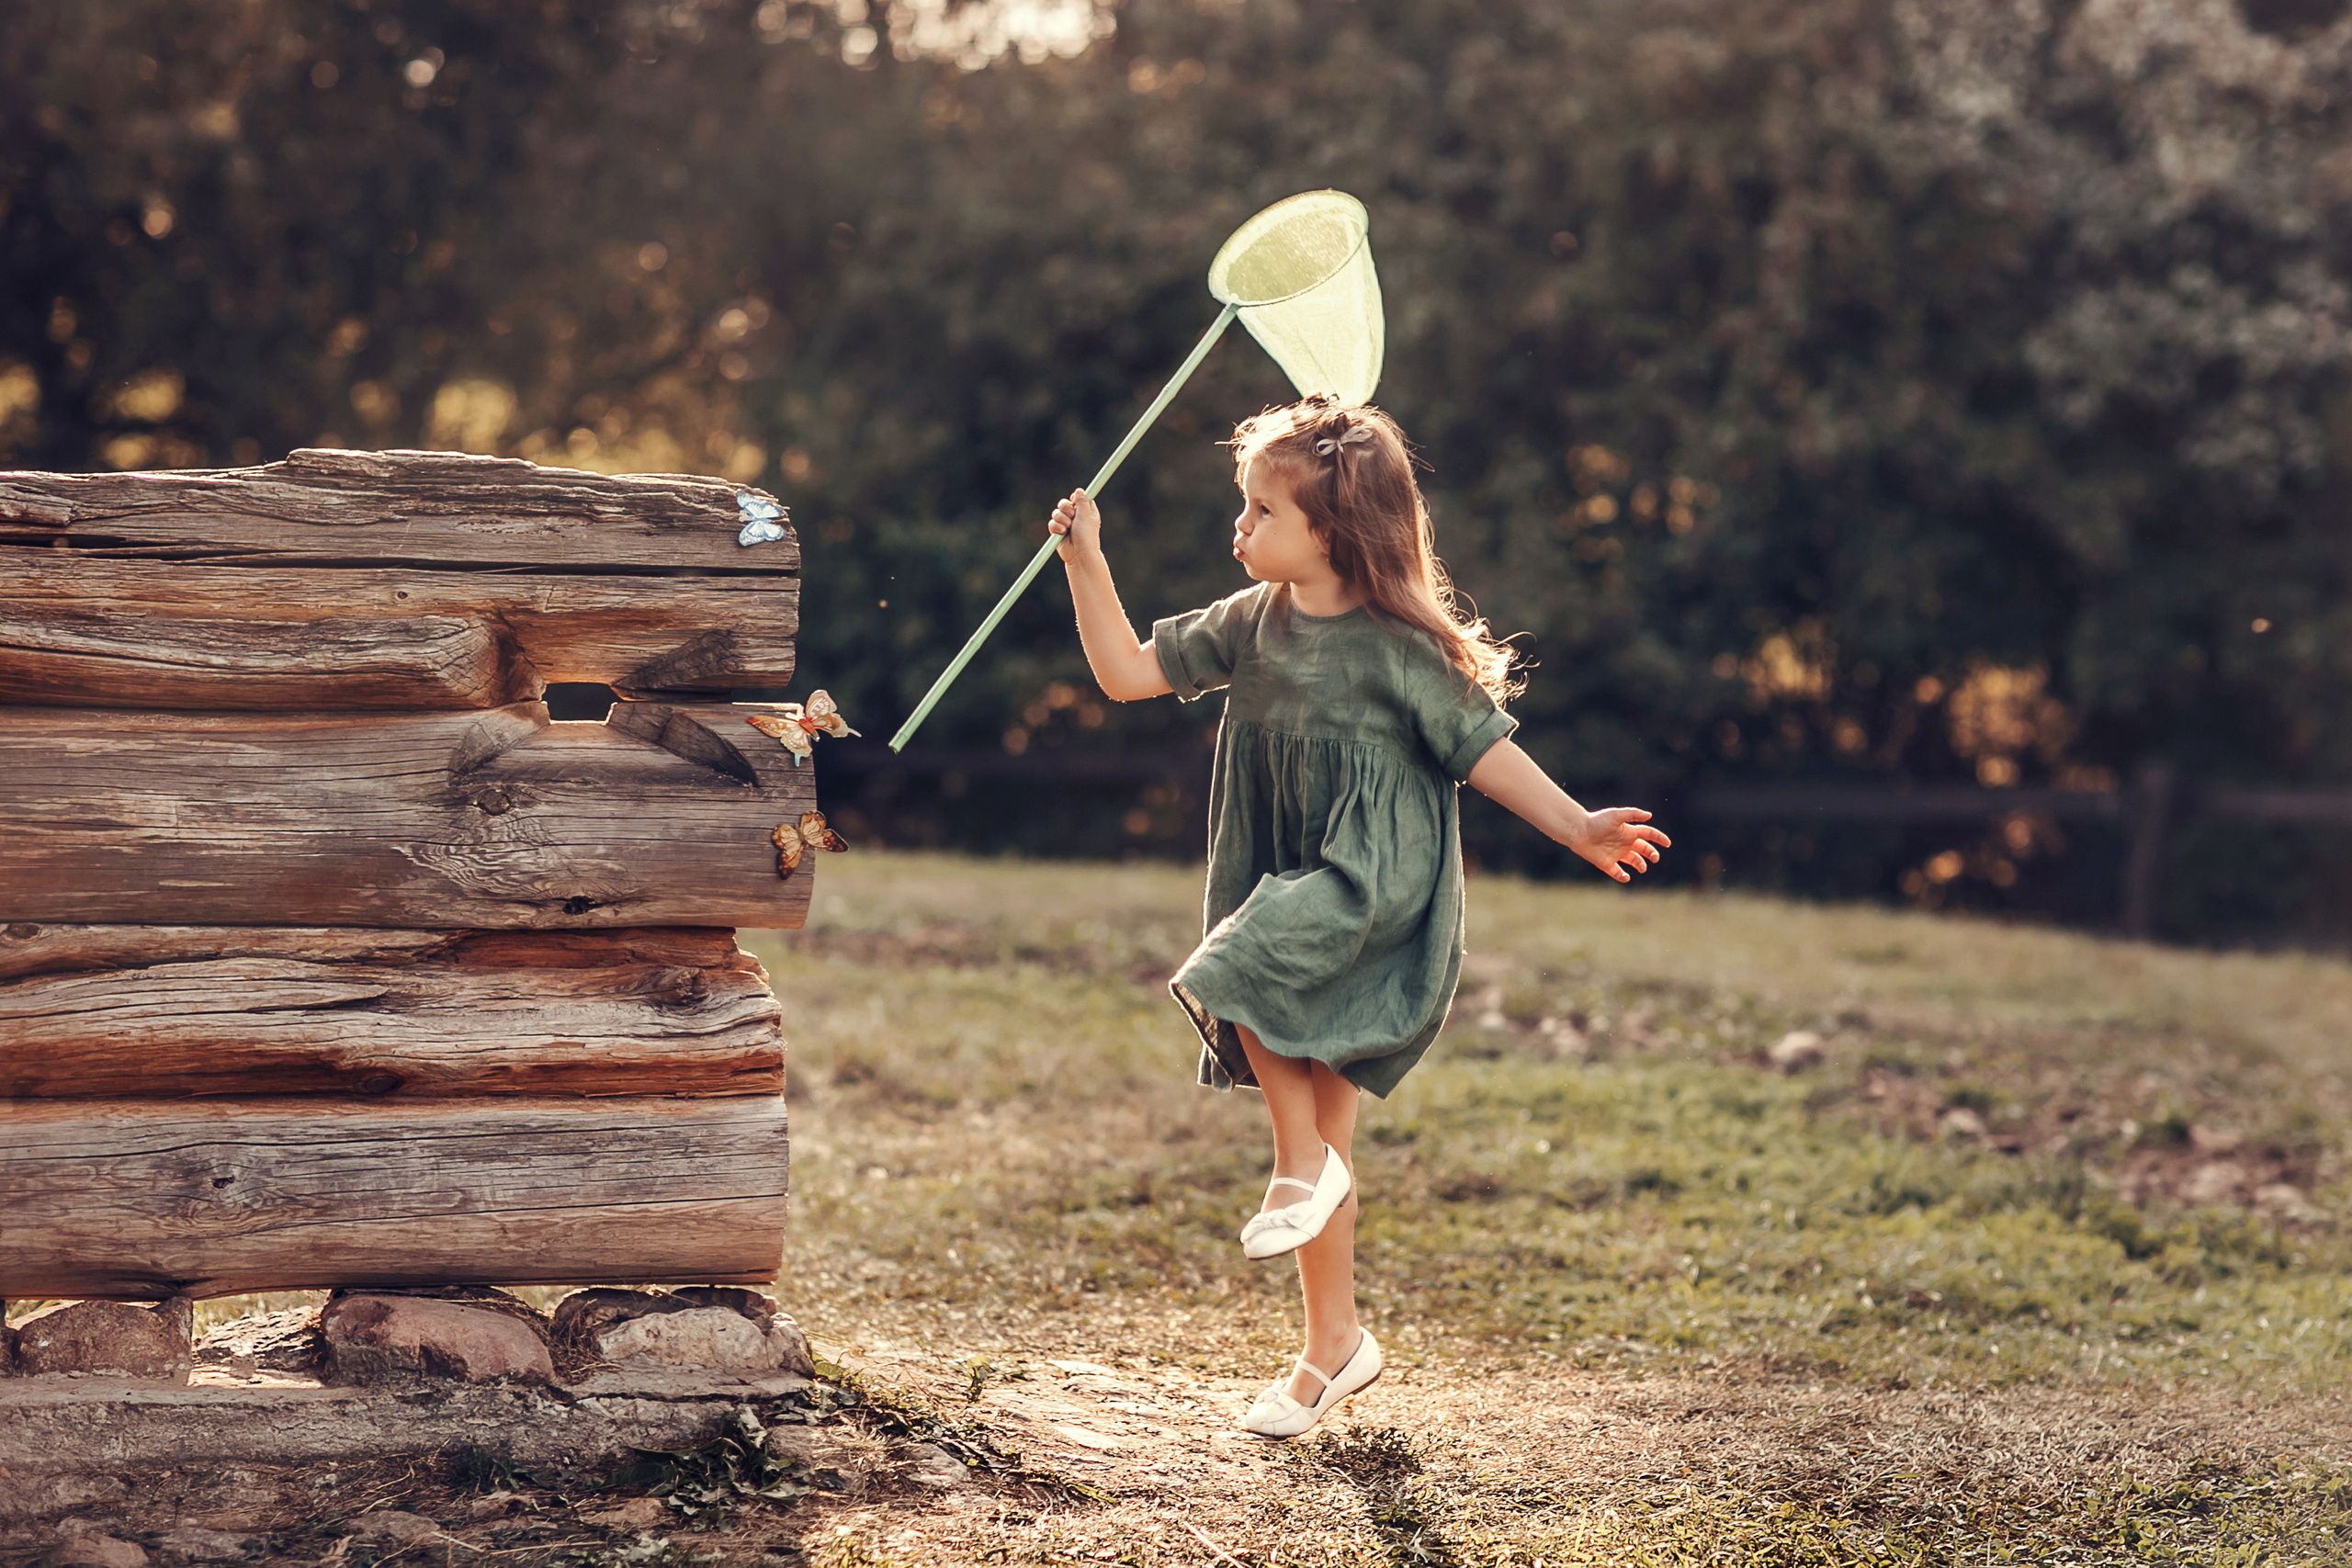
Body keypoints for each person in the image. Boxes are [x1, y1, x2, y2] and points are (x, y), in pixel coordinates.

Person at [1047, 393, 1669, 1438]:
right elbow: (1122, 674)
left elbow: (1485, 751)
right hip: (1289, 872)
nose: (1238, 529)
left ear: (1329, 531)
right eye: (1241, 508)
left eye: (1259, 512)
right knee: (1325, 1116)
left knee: (1232, 968)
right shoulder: (1248, 626)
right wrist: (1084, 562)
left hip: (1372, 882)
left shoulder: (1397, 649)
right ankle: (1331, 1348)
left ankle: (1295, 1167)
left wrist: (1576, 827)